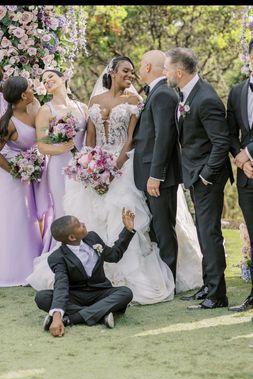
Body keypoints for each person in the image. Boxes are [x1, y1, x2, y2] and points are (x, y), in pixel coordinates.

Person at [28, 55, 203, 304]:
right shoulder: (95, 101)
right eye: (124, 70)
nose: (129, 75)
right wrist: (88, 165)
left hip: (123, 166)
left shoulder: (136, 100)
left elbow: (131, 138)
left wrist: (113, 168)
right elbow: (90, 136)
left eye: (132, 71)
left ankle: (128, 273)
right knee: (91, 218)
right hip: (95, 166)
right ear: (112, 71)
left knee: (123, 216)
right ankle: (88, 274)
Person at [164, 47, 233, 309]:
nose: (165, 73)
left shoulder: (205, 99)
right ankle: (208, 286)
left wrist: (205, 175)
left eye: (167, 68)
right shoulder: (187, 93)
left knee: (209, 233)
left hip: (208, 178)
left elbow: (221, 142)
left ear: (179, 72)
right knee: (204, 233)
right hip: (194, 174)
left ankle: (218, 295)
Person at [35, 209, 135, 337]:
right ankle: (102, 314)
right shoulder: (57, 257)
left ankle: (71, 319)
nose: (83, 223)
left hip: (100, 292)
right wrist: (56, 316)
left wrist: (127, 230)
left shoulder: (92, 237)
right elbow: (61, 284)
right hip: (75, 296)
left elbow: (114, 256)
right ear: (71, 237)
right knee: (42, 297)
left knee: (125, 293)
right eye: (78, 224)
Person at [133, 50, 182, 284]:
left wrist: (156, 175)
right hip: (149, 173)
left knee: (164, 229)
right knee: (157, 227)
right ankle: (161, 276)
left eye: (142, 63)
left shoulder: (163, 94)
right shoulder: (157, 93)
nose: (140, 67)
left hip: (159, 176)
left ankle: (168, 280)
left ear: (150, 67)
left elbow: (164, 138)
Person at [35, 69, 88, 250]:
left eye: (50, 76)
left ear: (63, 78)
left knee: (83, 206)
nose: (47, 81)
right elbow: (42, 146)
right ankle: (61, 253)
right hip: (59, 167)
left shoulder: (82, 107)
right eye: (44, 80)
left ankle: (85, 250)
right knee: (63, 208)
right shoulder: (45, 110)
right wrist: (61, 148)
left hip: (82, 166)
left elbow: (89, 139)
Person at [0, 77, 44, 286]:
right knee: (17, 220)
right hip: (12, 178)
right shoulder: (7, 122)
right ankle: (14, 270)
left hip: (30, 175)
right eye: (30, 87)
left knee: (31, 219)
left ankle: (32, 265)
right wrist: (15, 171)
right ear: (23, 95)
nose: (33, 88)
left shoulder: (34, 110)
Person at [227, 39, 253, 312]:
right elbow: (229, 132)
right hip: (247, 176)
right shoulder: (236, 92)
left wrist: (249, 152)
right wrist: (240, 158)